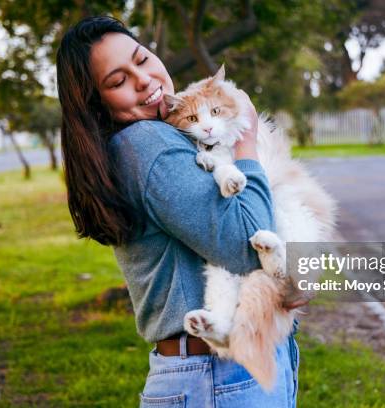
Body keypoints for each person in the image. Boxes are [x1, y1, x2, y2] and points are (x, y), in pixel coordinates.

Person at [56, 15, 302, 408]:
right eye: (117, 82)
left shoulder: (157, 138)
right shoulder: (149, 144)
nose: (143, 79)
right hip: (217, 376)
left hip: (225, 369)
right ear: (96, 104)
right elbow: (246, 246)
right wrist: (247, 142)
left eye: (141, 58)